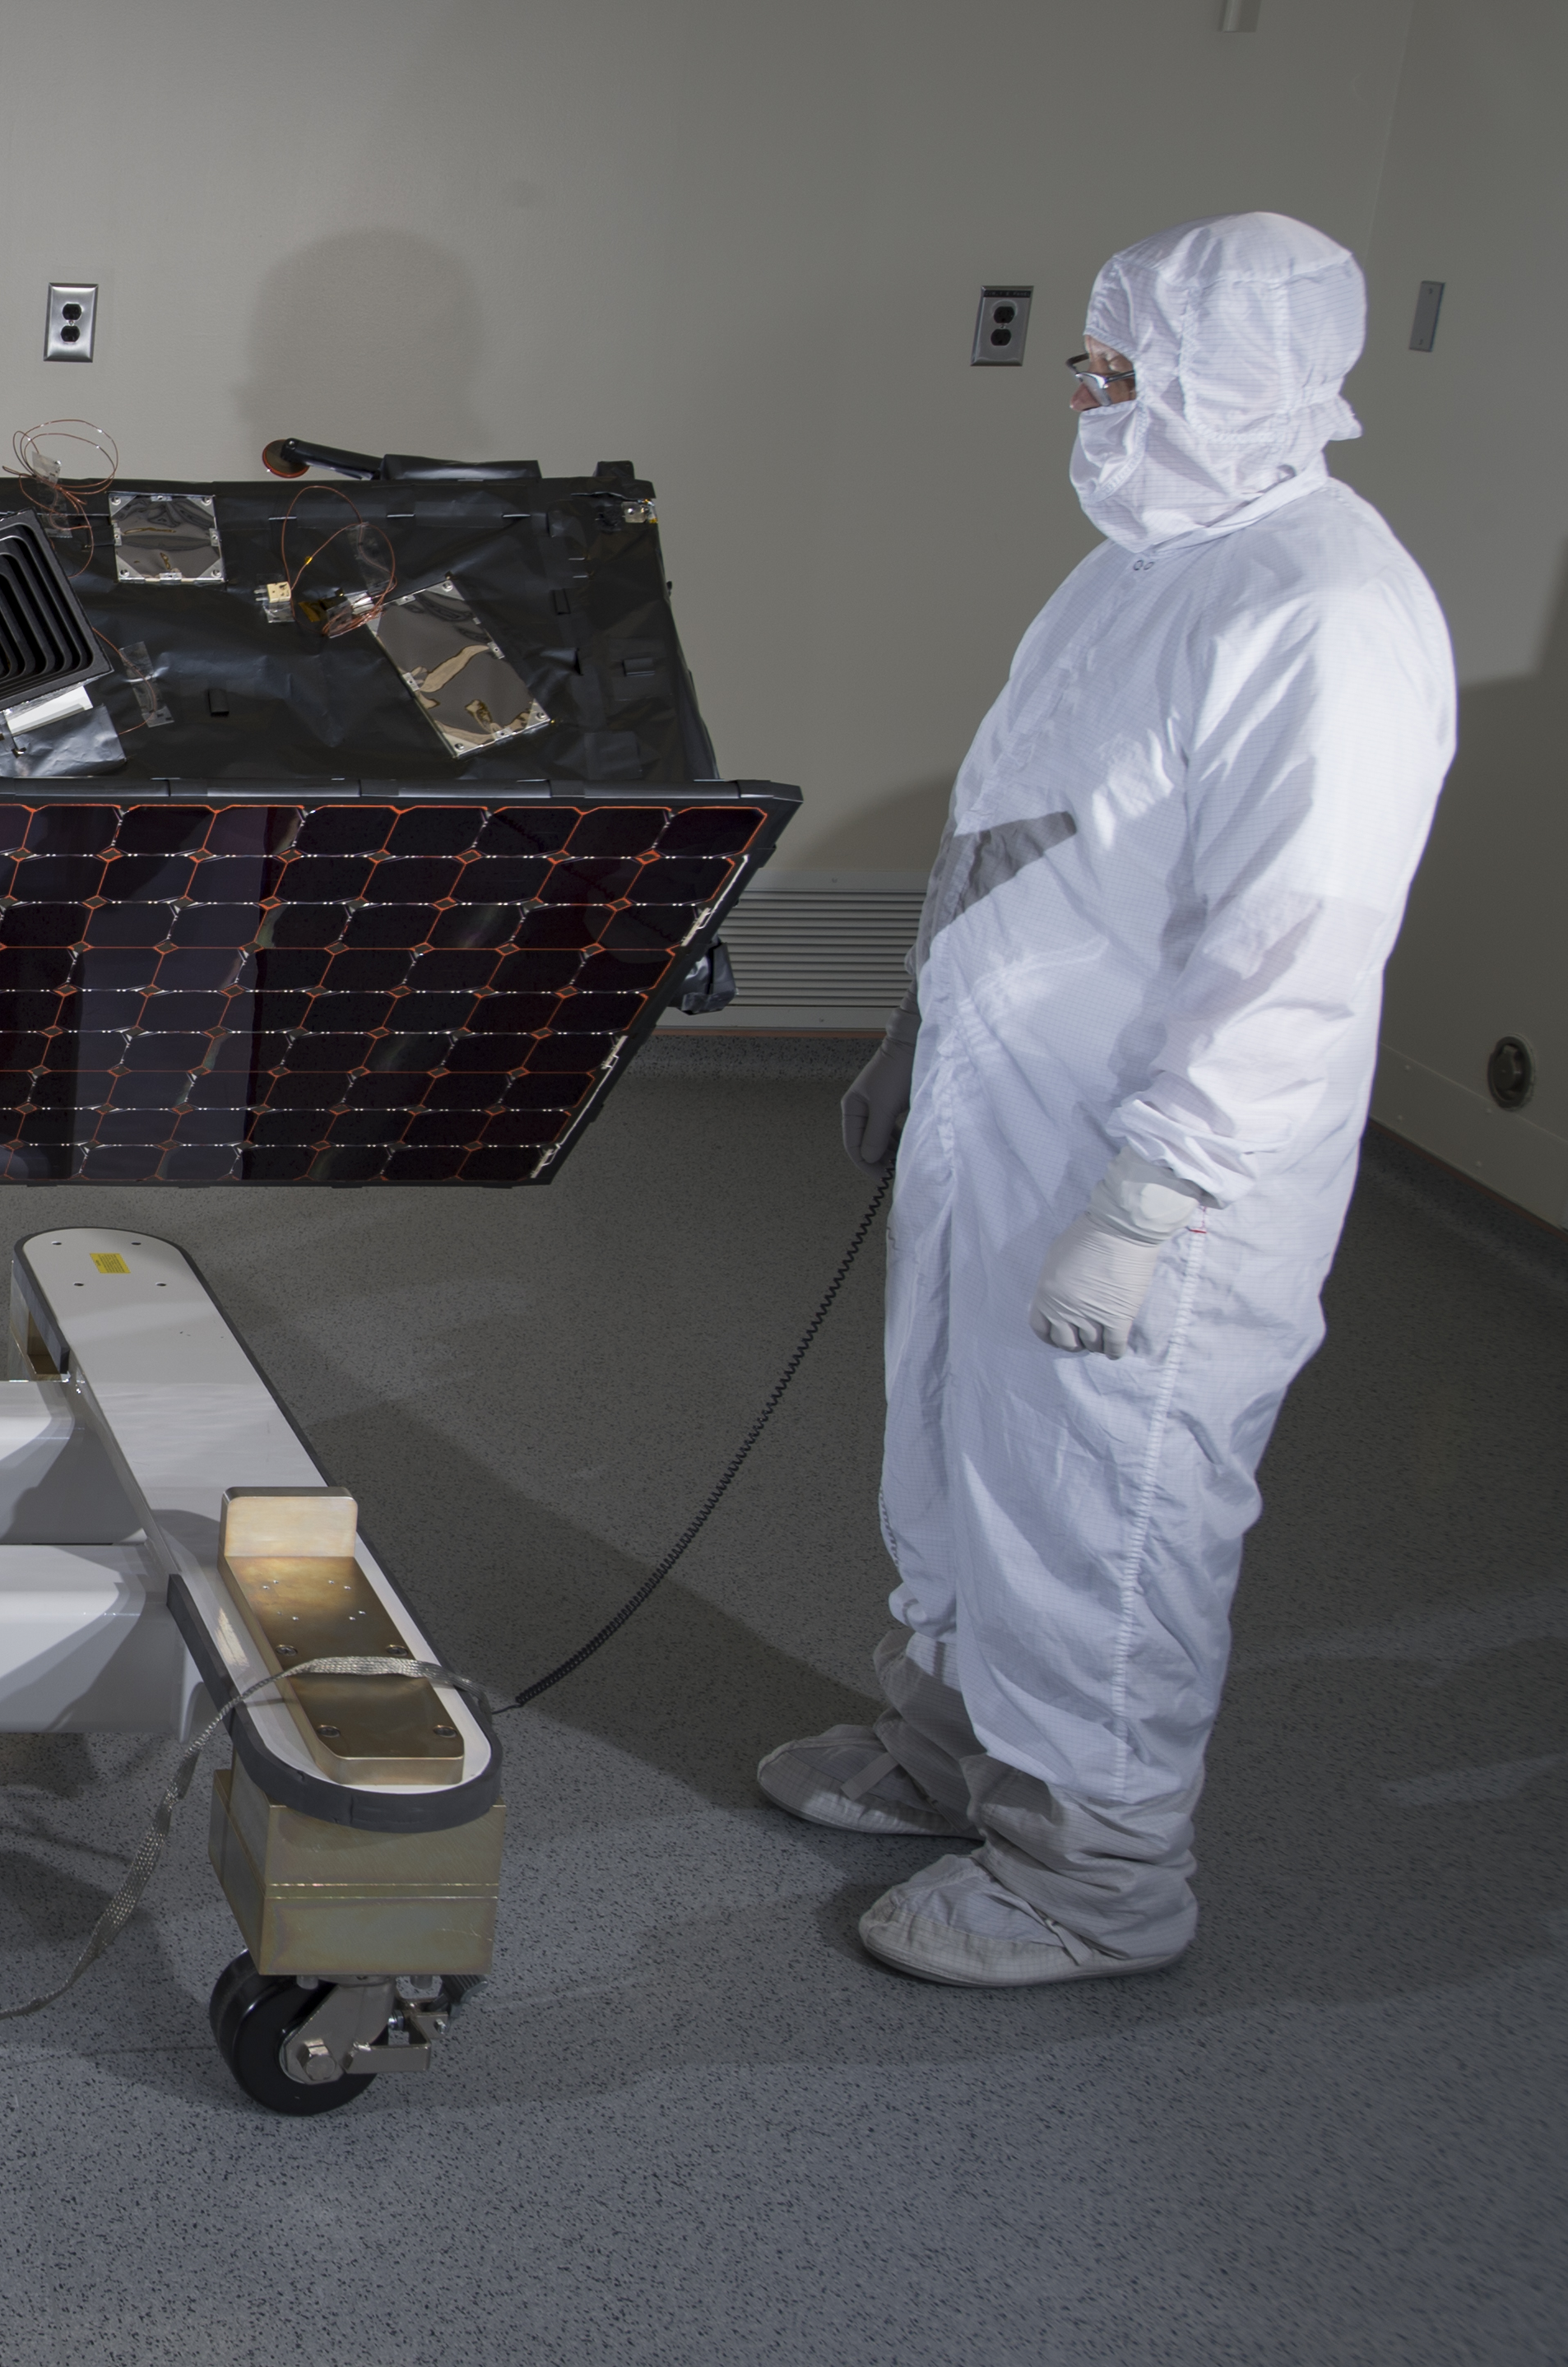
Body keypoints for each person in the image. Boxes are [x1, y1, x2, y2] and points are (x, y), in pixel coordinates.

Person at [759, 213, 1454, 1988]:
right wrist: (915, 1041)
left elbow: (1289, 952)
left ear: (1236, 380)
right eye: (1087, 360)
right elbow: (1022, 826)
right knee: (956, 1458)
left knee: (1103, 1506)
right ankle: (951, 1750)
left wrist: (1147, 1201)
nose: (1081, 396)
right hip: (1009, 1122)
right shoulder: (1143, 561)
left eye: (1117, 371)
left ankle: (1095, 1872)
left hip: (1145, 1180)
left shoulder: (1326, 609)